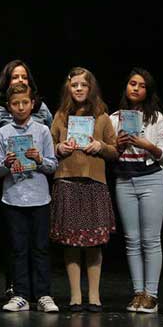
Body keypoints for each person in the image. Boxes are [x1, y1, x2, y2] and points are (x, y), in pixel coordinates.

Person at [49, 67, 118, 313]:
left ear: (91, 88)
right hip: (67, 181)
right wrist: (59, 148)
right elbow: (49, 146)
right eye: (74, 85)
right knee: (71, 242)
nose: (79, 89)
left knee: (94, 242)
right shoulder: (60, 116)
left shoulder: (102, 117)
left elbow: (114, 150)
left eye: (83, 85)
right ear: (68, 88)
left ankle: (94, 295)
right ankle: (76, 296)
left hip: (93, 184)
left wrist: (100, 146)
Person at [0, 60, 53, 299]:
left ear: (32, 104)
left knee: (41, 248)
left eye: (25, 103)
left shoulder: (43, 130)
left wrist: (39, 159)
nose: (21, 107)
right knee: (18, 248)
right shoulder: (3, 133)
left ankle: (43, 294)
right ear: (9, 106)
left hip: (40, 198)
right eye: (15, 103)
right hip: (13, 198)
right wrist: (7, 163)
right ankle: (20, 294)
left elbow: (52, 165)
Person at [109, 68, 163, 313]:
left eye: (142, 85)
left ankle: (151, 295)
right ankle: (138, 293)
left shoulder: (157, 118)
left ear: (148, 91)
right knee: (132, 240)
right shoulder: (114, 119)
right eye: (132, 83)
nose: (135, 88)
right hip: (125, 180)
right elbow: (110, 155)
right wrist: (117, 145)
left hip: (152, 179)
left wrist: (148, 145)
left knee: (151, 239)